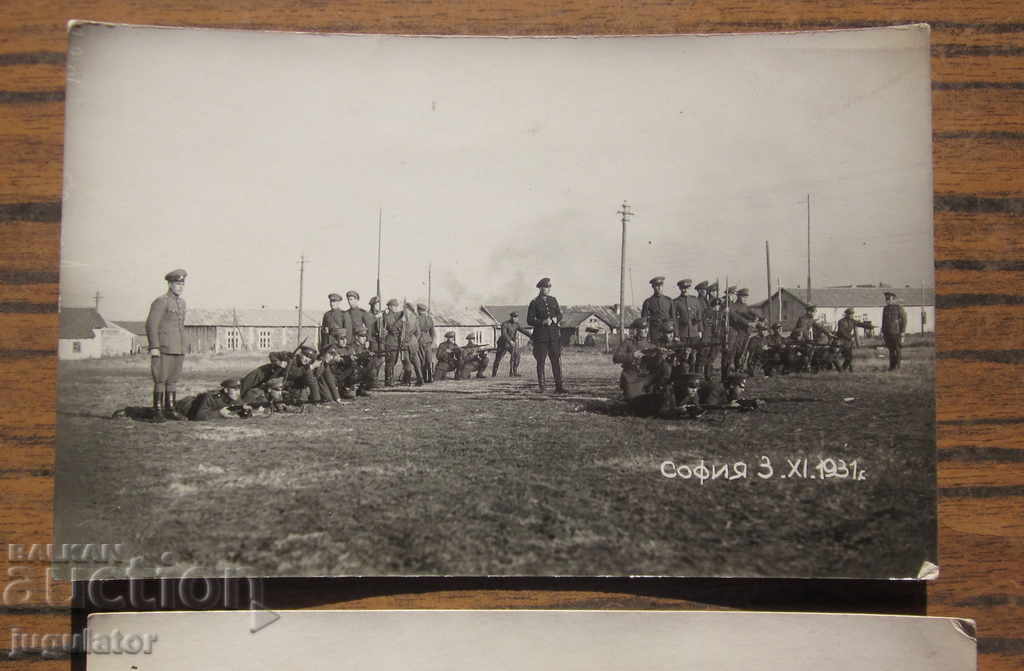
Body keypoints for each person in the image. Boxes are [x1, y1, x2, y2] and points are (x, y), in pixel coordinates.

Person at [145, 268, 188, 422]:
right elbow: (151, 325)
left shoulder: (182, 303)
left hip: (178, 347)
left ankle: (170, 409)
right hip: (163, 347)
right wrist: (154, 347)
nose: (180, 287)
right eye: (177, 283)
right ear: (170, 284)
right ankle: (157, 411)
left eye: (182, 284)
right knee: (160, 379)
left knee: (172, 379)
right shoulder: (161, 301)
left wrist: (184, 346)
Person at [527, 277, 566, 393]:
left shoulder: (553, 300)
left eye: (549, 287)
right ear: (540, 288)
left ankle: (559, 387)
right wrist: (543, 322)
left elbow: (560, 314)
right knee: (541, 362)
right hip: (541, 338)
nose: (547, 289)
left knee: (556, 362)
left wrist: (556, 319)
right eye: (545, 287)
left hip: (554, 337)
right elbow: (529, 320)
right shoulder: (534, 302)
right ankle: (542, 387)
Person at [185, 379, 252, 421]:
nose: (238, 393)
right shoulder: (211, 397)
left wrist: (244, 411)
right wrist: (219, 413)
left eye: (238, 390)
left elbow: (236, 408)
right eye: (235, 390)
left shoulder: (234, 397)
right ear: (226, 390)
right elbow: (198, 416)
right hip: (185, 407)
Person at [493, 311, 531, 377]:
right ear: (511, 317)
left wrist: (533, 336)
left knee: (517, 356)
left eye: (516, 317)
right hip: (503, 344)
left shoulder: (517, 324)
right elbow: (504, 334)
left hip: (512, 344)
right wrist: (510, 341)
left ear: (517, 318)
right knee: (498, 358)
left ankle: (514, 372)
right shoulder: (505, 324)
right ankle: (494, 374)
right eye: (513, 317)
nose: (514, 318)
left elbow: (524, 331)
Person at [641, 276, 675, 346]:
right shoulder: (648, 302)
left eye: (661, 286)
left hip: (667, 332)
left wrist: (676, 334)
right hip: (655, 332)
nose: (659, 288)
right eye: (656, 286)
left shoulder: (669, 300)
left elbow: (673, 318)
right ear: (653, 287)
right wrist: (648, 336)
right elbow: (644, 321)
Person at [836, 307, 871, 372]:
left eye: (852, 314)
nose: (851, 315)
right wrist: (849, 337)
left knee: (849, 357)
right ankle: (842, 370)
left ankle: (842, 370)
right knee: (839, 357)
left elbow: (860, 324)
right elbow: (841, 331)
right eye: (849, 314)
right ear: (846, 314)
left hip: (848, 342)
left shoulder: (852, 321)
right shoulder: (841, 321)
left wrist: (869, 326)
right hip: (841, 341)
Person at [881, 291, 908, 371]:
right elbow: (884, 321)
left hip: (896, 332)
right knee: (891, 350)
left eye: (889, 299)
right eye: (886, 299)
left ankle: (898, 366)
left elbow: (904, 320)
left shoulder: (898, 308)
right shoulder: (885, 308)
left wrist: (902, 332)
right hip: (887, 333)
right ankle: (892, 366)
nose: (887, 300)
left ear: (893, 299)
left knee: (897, 349)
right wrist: (882, 332)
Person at [351, 326, 379, 396]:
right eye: (362, 336)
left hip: (360, 370)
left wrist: (370, 355)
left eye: (365, 336)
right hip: (354, 372)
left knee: (373, 364)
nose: (364, 338)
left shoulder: (363, 347)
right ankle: (356, 388)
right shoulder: (352, 347)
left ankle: (362, 388)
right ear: (356, 337)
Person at [382, 299, 403, 386]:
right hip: (390, 342)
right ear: (389, 307)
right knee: (390, 362)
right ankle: (388, 380)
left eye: (397, 306)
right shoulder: (388, 316)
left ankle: (391, 379)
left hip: (395, 342)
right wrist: (401, 322)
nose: (396, 308)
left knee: (393, 361)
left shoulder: (395, 315)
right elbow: (392, 328)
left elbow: (401, 313)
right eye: (394, 306)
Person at [416, 303, 436, 383]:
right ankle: (430, 377)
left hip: (420, 340)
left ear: (419, 310)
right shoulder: (429, 319)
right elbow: (432, 332)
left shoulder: (417, 319)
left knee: (422, 360)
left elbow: (415, 331)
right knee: (429, 359)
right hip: (428, 340)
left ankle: (424, 377)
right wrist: (431, 340)